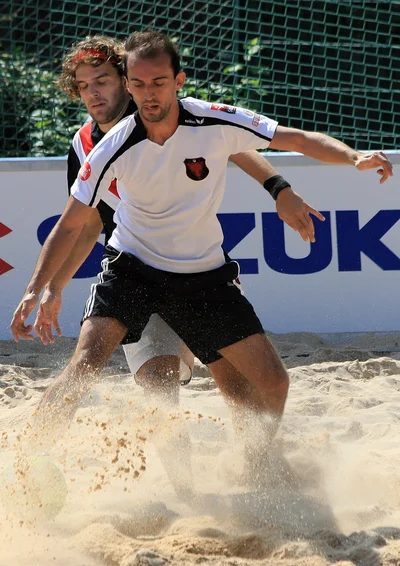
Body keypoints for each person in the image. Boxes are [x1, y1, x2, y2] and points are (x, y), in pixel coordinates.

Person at [10, 30, 392, 496]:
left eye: (104, 80)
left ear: (138, 81)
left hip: (202, 274)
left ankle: (253, 467)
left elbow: (245, 143)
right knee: (140, 379)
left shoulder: (194, 115)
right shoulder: (95, 147)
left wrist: (286, 187)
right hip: (134, 269)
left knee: (254, 385)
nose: (96, 92)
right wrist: (47, 287)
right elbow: (80, 225)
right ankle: (32, 466)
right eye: (87, 85)